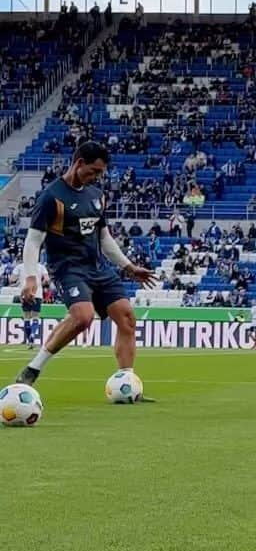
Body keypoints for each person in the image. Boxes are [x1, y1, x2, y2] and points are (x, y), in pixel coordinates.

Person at [16, 141, 157, 387]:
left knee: (127, 318)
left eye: (100, 173)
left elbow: (104, 237)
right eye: (94, 171)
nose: (97, 177)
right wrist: (30, 278)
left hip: (98, 267)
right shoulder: (51, 196)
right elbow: (33, 241)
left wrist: (128, 267)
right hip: (68, 268)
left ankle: (126, 383)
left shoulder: (96, 196)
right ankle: (33, 368)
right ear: (79, 163)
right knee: (83, 317)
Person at [10, 260, 50, 349]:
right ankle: (33, 333)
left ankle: (30, 341)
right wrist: (40, 285)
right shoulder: (40, 266)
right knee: (35, 316)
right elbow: (47, 280)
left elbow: (12, 279)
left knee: (26, 317)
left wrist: (18, 281)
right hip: (37, 294)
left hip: (24, 293)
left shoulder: (20, 266)